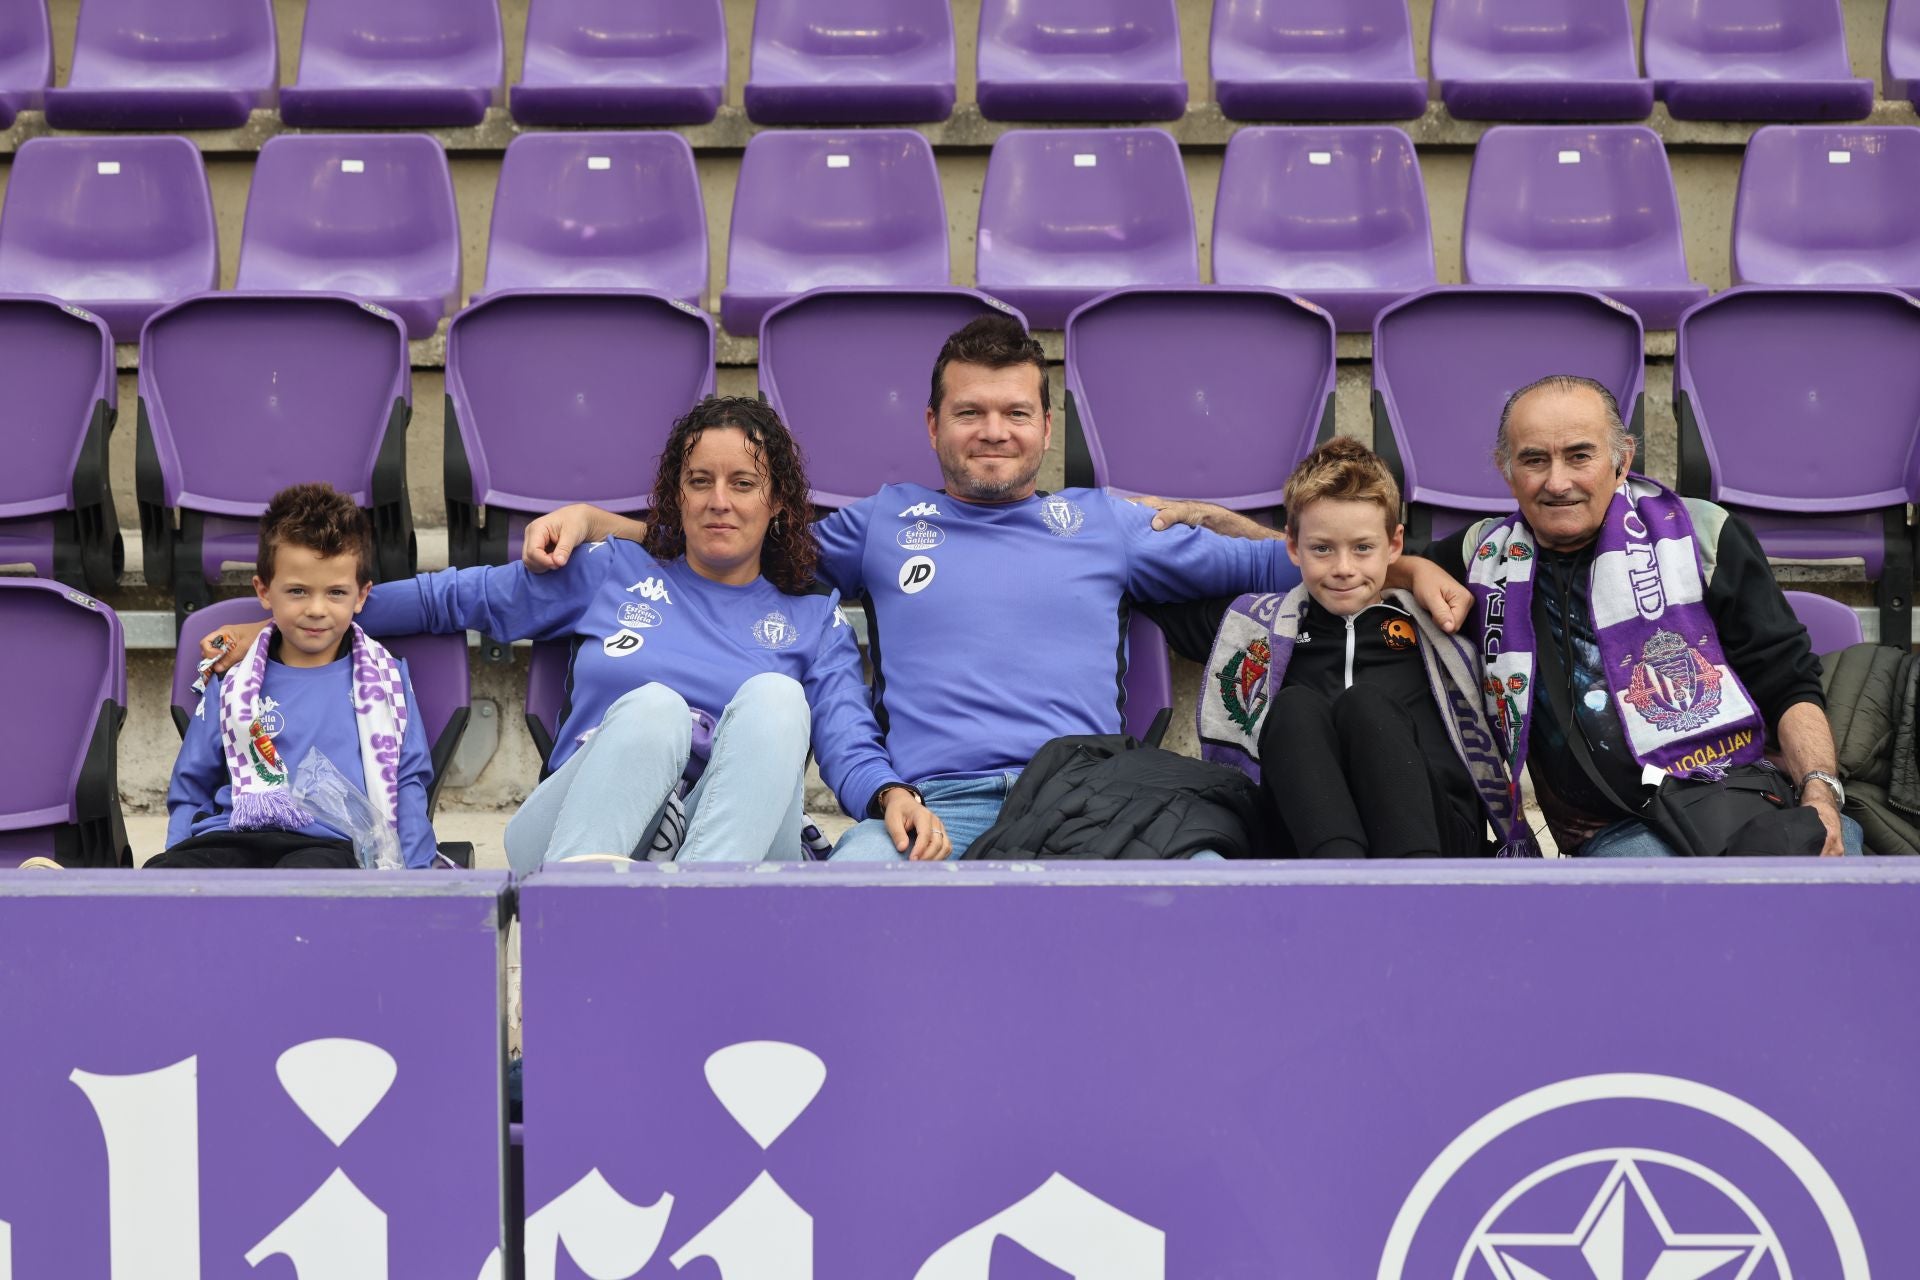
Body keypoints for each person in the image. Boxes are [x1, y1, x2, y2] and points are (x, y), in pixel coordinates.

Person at [524, 314, 1470, 859]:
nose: (993, 432)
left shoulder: (1101, 522)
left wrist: (1411, 560)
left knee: (1209, 891)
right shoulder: (886, 521)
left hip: (1088, 795)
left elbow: (1296, 555)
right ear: (933, 424)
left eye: (1016, 413)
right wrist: (610, 524)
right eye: (970, 413)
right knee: (838, 903)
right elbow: (735, 530)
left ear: (1045, 422)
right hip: (931, 806)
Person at [206, 398, 945, 869]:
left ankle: (694, 917)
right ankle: (583, 936)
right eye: (699, 482)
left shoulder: (813, 618)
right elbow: (447, 599)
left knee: (780, 702)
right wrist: (286, 621)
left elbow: (848, 737)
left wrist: (889, 797)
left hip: (736, 848)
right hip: (580, 833)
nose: (719, 502)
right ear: (673, 494)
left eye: (743, 484)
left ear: (777, 500)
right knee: (655, 709)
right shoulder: (609, 572)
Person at [1156, 375, 1860, 858]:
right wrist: (1220, 522)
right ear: (1505, 470)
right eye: (1534, 460)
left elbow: (1788, 680)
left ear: (1623, 460)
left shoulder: (1702, 532)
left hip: (1747, 802)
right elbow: (1341, 547)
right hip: (1617, 835)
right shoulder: (1483, 554)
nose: (1557, 480)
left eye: (1579, 455)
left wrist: (1820, 796)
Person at [1198, 438, 1516, 857]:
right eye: (1322, 549)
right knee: (1293, 708)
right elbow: (1157, 572)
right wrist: (1192, 512)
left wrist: (1418, 570)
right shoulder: (1261, 627)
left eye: (1363, 548)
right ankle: (1340, 883)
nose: (1344, 569)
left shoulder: (1434, 619)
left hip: (1434, 835)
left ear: (1395, 545)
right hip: (1305, 839)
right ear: (1293, 546)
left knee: (1367, 707)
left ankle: (1416, 888)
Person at [157, 483, 437, 869]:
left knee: (305, 879)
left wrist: (416, 876)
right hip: (233, 835)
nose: (317, 609)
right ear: (264, 591)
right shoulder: (232, 680)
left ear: (361, 595)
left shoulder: (386, 679)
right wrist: (175, 860)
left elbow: (408, 782)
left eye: (336, 592)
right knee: (167, 875)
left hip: (332, 843)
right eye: (298, 591)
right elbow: (192, 785)